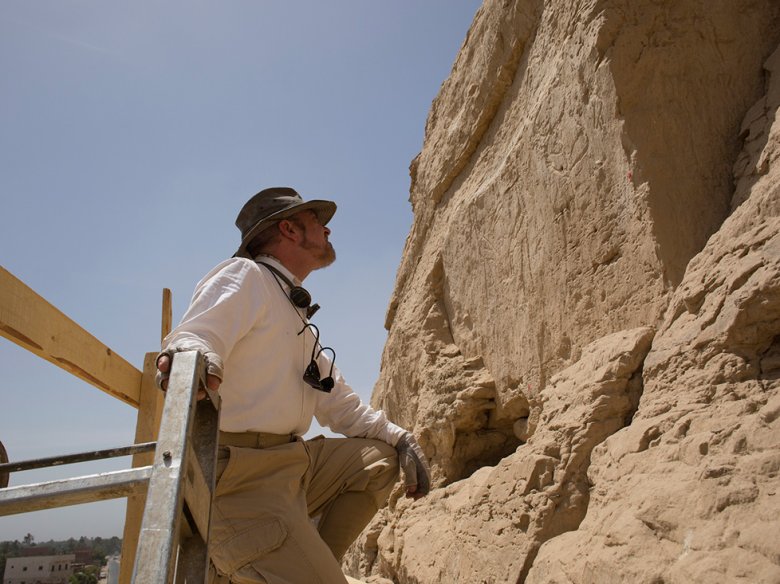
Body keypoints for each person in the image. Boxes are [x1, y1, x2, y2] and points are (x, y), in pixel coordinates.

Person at [156, 187, 430, 584]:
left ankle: (293, 562)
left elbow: (340, 404)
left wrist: (400, 438)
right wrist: (196, 359)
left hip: (289, 467)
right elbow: (197, 334)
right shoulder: (246, 275)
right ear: (289, 230)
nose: (328, 230)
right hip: (240, 478)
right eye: (317, 222)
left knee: (377, 460)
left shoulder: (291, 309)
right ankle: (268, 562)